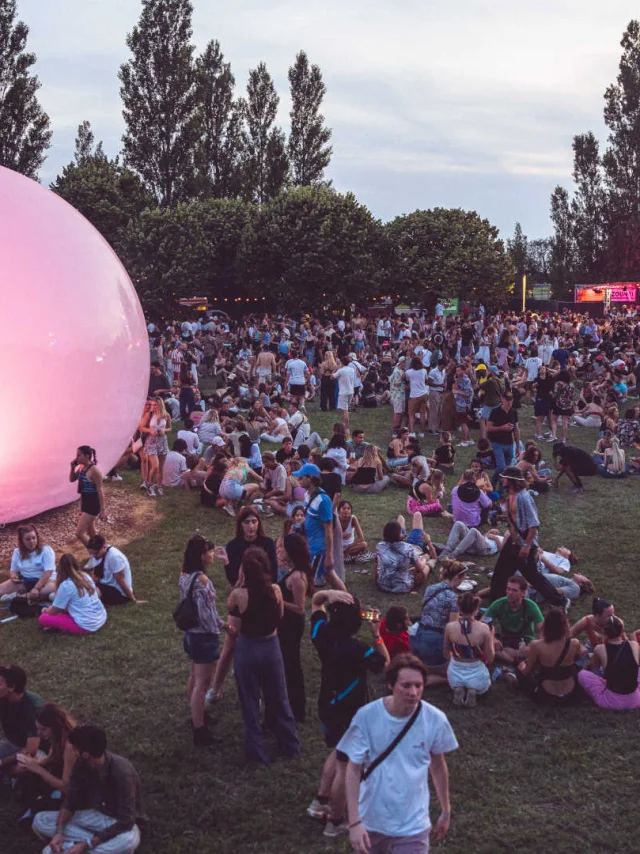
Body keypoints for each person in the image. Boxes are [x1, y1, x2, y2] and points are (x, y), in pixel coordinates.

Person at [339, 654, 458, 854]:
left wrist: (446, 811)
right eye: (406, 685)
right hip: (372, 822)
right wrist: (354, 822)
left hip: (414, 825)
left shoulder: (435, 719)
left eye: (418, 685)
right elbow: (353, 769)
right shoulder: (366, 717)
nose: (413, 692)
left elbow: (438, 765)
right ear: (391, 685)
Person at [307, 590, 389, 838]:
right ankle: (335, 821)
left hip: (327, 703)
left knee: (338, 750)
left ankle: (320, 801)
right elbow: (385, 664)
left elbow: (316, 603)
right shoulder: (358, 649)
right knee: (346, 766)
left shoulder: (321, 634)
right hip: (350, 710)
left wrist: (327, 593)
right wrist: (376, 634)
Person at [225, 547, 300, 764]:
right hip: (271, 647)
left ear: (244, 569)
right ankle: (290, 744)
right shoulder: (275, 591)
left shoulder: (238, 595)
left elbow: (234, 628)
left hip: (248, 649)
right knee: (279, 698)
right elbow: (280, 616)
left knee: (249, 701)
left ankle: (257, 752)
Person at [32, 724, 146, 854]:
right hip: (94, 814)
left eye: (74, 749)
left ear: (86, 754)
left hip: (119, 822)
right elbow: (70, 801)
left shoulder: (121, 771)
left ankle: (74, 847)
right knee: (41, 820)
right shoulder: (81, 765)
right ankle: (85, 846)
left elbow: (127, 820)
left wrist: (88, 844)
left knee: (127, 842)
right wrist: (59, 832)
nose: (72, 752)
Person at [488, 467, 567, 607]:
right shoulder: (510, 495)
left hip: (524, 544)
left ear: (512, 480)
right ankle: (494, 605)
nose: (502, 480)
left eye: (505, 478)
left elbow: (533, 524)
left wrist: (526, 545)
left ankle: (561, 601)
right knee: (500, 575)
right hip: (513, 543)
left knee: (534, 577)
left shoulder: (524, 497)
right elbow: (516, 517)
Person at [178, 536, 223, 746]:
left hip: (190, 634)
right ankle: (199, 728)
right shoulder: (203, 581)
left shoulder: (184, 576)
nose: (212, 554)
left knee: (194, 676)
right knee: (202, 683)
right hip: (204, 637)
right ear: (202, 556)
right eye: (209, 551)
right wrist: (221, 627)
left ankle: (197, 714)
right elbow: (207, 616)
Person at [15, 703, 77, 821]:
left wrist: (39, 770)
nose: (39, 733)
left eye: (43, 729)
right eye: (38, 728)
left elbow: (66, 787)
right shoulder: (57, 738)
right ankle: (34, 804)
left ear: (56, 727)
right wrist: (32, 764)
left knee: (41, 807)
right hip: (61, 781)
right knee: (29, 774)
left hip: (76, 792)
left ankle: (40, 807)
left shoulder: (70, 745)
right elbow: (52, 758)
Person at [277, 533, 314, 723]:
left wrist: (277, 600)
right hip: (285, 624)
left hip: (292, 625)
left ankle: (297, 708)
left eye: (282, 547)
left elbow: (300, 608)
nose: (279, 550)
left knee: (292, 665)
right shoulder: (290, 570)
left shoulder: (298, 577)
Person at [515, 608, 582, 705]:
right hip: (570, 692)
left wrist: (521, 666)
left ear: (546, 626)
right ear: (565, 625)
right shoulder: (574, 643)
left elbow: (526, 672)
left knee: (521, 668)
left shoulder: (536, 645)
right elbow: (577, 659)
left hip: (546, 693)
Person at [410, 560, 466, 673]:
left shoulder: (430, 588)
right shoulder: (453, 598)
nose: (462, 582)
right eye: (462, 579)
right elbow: (452, 627)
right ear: (456, 578)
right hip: (434, 642)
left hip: (418, 636)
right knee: (450, 671)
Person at [297, 463, 346, 590]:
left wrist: (329, 556)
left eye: (301, 477)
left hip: (319, 549)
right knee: (330, 576)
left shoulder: (323, 501)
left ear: (310, 479)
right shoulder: (307, 495)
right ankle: (347, 598)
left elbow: (329, 530)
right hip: (312, 544)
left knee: (307, 580)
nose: (298, 480)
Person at [578, 616, 640, 710]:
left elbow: (596, 668)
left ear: (604, 631)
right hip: (636, 700)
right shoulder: (634, 645)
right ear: (622, 631)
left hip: (611, 702)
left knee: (582, 674)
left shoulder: (600, 648)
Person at [443, 592, 494, 706]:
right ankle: (473, 690)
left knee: (455, 674)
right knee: (486, 685)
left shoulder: (449, 627)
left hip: (455, 674)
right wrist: (492, 637)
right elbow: (490, 658)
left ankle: (458, 688)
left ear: (460, 608)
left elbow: (445, 652)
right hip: (476, 673)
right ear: (476, 609)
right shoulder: (484, 629)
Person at [39, 554, 107, 635]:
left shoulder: (66, 585)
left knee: (43, 618)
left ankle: (55, 626)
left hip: (86, 625)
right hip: (101, 617)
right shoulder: (85, 576)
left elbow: (54, 611)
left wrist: (46, 610)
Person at [484, 575, 544, 665]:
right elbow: (483, 624)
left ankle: (511, 657)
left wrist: (534, 645)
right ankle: (515, 661)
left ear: (523, 593)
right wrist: (493, 639)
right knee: (487, 644)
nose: (510, 593)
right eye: (508, 589)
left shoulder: (531, 606)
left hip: (525, 640)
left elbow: (542, 630)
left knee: (537, 649)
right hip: (505, 638)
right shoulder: (499, 604)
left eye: (514, 590)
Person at [0, 665, 43, 777]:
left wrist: (2, 762)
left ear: (12, 687)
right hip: (14, 744)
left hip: (39, 749)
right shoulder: (3, 699)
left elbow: (31, 749)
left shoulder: (33, 707)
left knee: (22, 769)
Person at [219, 507, 278, 586]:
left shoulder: (268, 543)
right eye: (246, 522)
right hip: (243, 587)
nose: (251, 526)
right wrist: (226, 562)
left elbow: (273, 574)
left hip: (264, 586)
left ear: (258, 523)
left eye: (254, 521)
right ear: (240, 524)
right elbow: (233, 580)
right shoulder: (232, 546)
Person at [0, 524, 56, 604]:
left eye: (34, 538)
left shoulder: (46, 550)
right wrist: (14, 577)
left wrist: (37, 588)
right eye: (28, 539)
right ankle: (24, 596)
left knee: (43, 592)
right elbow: (13, 570)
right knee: (1, 589)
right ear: (22, 541)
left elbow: (48, 571)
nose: (32, 541)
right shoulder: (17, 552)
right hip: (25, 580)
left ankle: (18, 597)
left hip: (46, 581)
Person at [375, 521, 429, 594]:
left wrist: (377, 580)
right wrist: (424, 559)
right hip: (402, 587)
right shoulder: (408, 548)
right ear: (399, 534)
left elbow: (377, 564)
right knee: (425, 568)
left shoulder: (380, 546)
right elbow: (419, 567)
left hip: (383, 585)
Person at [85, 536, 140, 606]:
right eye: (91, 553)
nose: (94, 556)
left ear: (104, 547)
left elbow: (121, 581)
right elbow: (95, 574)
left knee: (89, 594)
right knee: (82, 586)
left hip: (118, 592)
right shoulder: (99, 554)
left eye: (96, 553)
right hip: (105, 584)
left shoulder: (115, 557)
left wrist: (133, 600)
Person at [69, 446, 105, 545]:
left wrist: (102, 510)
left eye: (79, 455)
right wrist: (72, 468)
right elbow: (72, 479)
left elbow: (100, 491)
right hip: (85, 502)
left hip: (93, 505)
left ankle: (94, 551)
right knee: (91, 532)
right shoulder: (82, 467)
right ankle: (102, 548)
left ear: (87, 456)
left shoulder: (95, 471)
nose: (76, 458)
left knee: (79, 533)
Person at [140, 398, 171, 497]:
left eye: (155, 405)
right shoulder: (149, 415)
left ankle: (159, 486)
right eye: (152, 405)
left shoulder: (166, 415)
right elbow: (140, 427)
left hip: (162, 441)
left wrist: (164, 430)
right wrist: (150, 430)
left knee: (161, 467)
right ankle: (150, 485)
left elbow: (170, 428)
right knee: (155, 465)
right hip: (151, 442)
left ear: (160, 405)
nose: (152, 407)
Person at [487, 392, 519, 484]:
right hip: (497, 442)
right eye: (507, 400)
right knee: (501, 467)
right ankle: (493, 482)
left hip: (509, 443)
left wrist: (517, 446)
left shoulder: (513, 412)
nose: (509, 402)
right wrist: (502, 428)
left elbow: (516, 429)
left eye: (511, 400)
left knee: (507, 469)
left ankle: (503, 487)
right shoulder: (495, 411)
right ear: (502, 399)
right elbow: (488, 428)